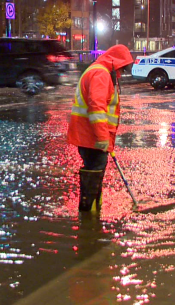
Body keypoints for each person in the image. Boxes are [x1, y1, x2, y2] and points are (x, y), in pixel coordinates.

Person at [67, 44, 134, 213]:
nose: (122, 72)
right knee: (94, 174)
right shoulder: (101, 74)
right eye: (122, 68)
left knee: (95, 174)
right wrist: (103, 137)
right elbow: (96, 107)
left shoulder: (99, 71)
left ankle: (93, 212)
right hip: (91, 138)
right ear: (116, 62)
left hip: (90, 137)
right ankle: (88, 214)